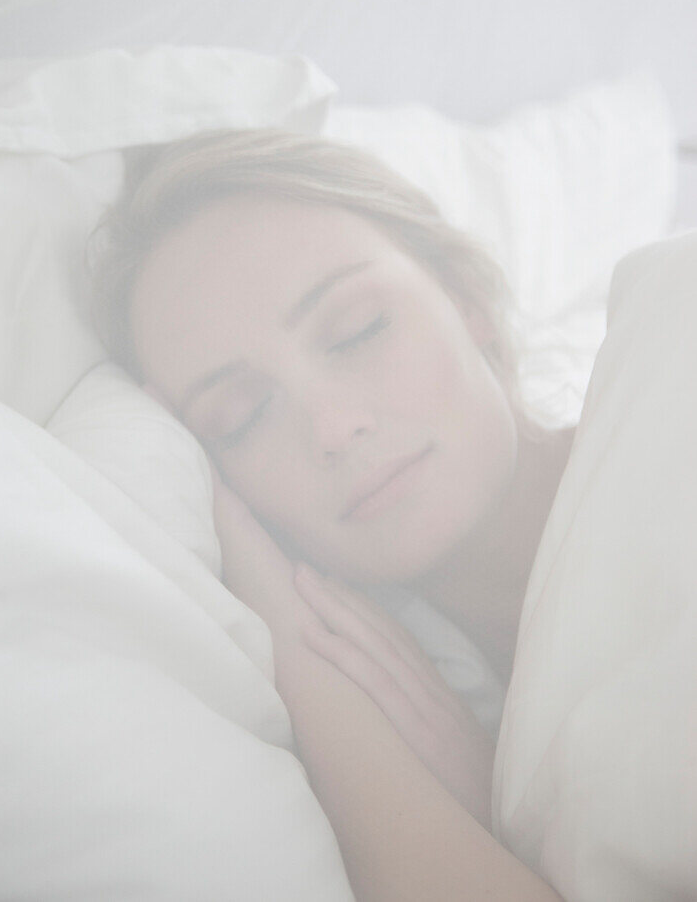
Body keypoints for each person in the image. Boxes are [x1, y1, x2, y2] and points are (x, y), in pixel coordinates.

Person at [90, 128, 575, 901]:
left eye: (357, 330)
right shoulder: (444, 710)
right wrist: (277, 624)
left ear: (464, 297)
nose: (331, 425)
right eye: (240, 418)